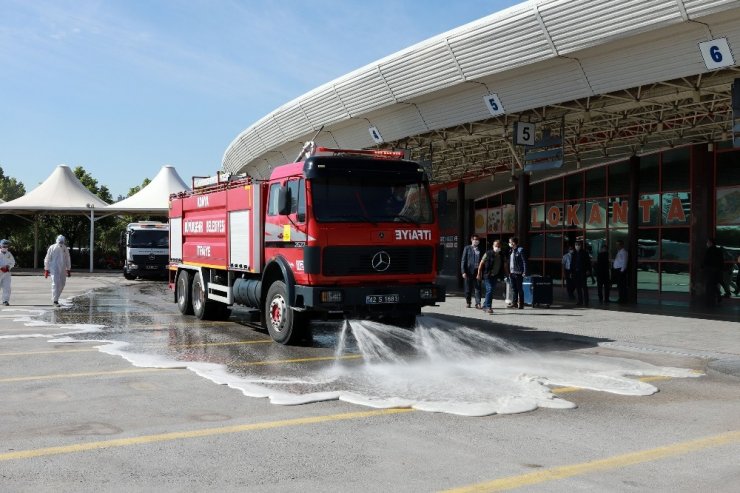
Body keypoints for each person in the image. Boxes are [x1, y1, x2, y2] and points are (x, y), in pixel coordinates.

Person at [477, 239, 507, 314]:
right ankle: (488, 307)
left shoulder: (502, 255)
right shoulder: (488, 253)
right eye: (496, 246)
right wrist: (478, 273)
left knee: (490, 291)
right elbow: (481, 263)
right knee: (490, 289)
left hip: (495, 275)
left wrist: (507, 274)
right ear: (493, 246)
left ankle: (484, 305)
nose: (497, 247)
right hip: (488, 275)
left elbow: (505, 265)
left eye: (499, 246)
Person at [44, 235, 72, 305]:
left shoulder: (65, 249)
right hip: (54, 268)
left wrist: (68, 269)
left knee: (62, 283)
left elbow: (68, 259)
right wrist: (46, 269)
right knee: (55, 283)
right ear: (57, 241)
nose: (61, 243)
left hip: (62, 268)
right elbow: (47, 258)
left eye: (62, 242)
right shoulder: (52, 247)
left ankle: (56, 298)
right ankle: (55, 300)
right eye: (60, 242)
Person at [461, 234, 482, 308]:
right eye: (475, 239)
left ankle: (478, 303)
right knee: (468, 288)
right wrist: (463, 271)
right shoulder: (467, 248)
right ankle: (468, 302)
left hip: (477, 271)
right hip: (468, 271)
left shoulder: (480, 249)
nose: (476, 241)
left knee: (478, 287)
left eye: (477, 240)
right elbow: (463, 260)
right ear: (471, 240)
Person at [507, 236, 528, 309]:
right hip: (511, 272)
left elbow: (524, 261)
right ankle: (514, 303)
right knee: (513, 288)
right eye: (509, 242)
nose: (509, 243)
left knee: (519, 288)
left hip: (518, 272)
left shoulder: (520, 250)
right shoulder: (511, 250)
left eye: (510, 242)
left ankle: (521, 304)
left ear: (514, 242)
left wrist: (524, 271)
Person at [702, 238, 723, 306]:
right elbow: (721, 260)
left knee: (709, 284)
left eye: (708, 242)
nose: (707, 244)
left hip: (710, 270)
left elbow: (706, 260)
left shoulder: (709, 250)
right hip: (717, 270)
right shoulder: (718, 250)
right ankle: (718, 295)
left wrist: (702, 267)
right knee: (714, 283)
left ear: (711, 243)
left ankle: (709, 298)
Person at [571, 241, 592, 306]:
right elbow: (572, 263)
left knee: (584, 287)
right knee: (578, 287)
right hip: (576, 272)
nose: (577, 246)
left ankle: (586, 302)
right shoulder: (574, 253)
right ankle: (580, 301)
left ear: (581, 245)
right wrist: (571, 272)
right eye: (576, 245)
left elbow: (588, 262)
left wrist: (588, 270)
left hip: (582, 272)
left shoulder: (585, 253)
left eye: (578, 245)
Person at [0, 239, 16, 306]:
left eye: (6, 246)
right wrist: (1, 268)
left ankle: (5, 301)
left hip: (6, 273)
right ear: (0, 246)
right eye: (4, 246)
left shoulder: (9, 254)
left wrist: (8, 267)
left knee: (7, 287)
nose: (5, 247)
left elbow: (13, 262)